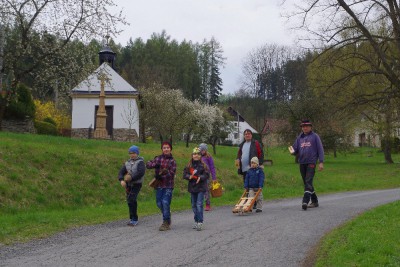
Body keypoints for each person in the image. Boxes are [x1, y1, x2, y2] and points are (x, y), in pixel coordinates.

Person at [290, 119, 324, 210]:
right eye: (303, 126)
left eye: (307, 126)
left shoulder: (315, 136)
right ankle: (315, 201)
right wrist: (291, 151)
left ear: (310, 127)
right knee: (306, 183)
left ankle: (305, 201)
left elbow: (320, 149)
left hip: (311, 162)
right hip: (302, 162)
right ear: (302, 128)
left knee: (308, 181)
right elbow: (294, 149)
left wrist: (321, 162)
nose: (305, 128)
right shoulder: (299, 138)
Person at [146, 141, 177, 231]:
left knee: (165, 202)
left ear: (170, 149)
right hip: (159, 185)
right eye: (164, 148)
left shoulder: (172, 161)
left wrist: (163, 174)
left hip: (168, 185)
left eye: (167, 147)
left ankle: (165, 222)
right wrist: (154, 164)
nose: (166, 149)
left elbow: (172, 173)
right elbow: (148, 164)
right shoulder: (158, 158)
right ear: (162, 149)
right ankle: (167, 215)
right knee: (159, 203)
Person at [118, 145, 145, 226]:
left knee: (132, 199)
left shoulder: (140, 162)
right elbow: (121, 172)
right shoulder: (127, 163)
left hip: (137, 184)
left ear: (137, 153)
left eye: (134, 153)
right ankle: (131, 217)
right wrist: (121, 180)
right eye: (130, 153)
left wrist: (131, 178)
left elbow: (140, 173)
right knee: (129, 201)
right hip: (128, 185)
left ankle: (135, 219)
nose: (132, 155)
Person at [183, 147, 210, 231]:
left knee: (199, 204)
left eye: (198, 154)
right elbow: (184, 174)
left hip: (201, 188)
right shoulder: (189, 165)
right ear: (192, 155)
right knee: (193, 205)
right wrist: (189, 176)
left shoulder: (203, 165)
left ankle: (200, 222)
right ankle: (196, 220)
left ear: (200, 156)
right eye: (194, 154)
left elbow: (206, 174)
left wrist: (200, 177)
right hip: (192, 188)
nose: (196, 156)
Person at [199, 143, 216, 211]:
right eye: (201, 150)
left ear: (205, 150)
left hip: (206, 176)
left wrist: (214, 177)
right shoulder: (198, 156)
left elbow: (212, 167)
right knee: (199, 190)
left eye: (203, 150)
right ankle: (199, 204)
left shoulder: (208, 157)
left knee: (206, 190)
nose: (202, 151)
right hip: (199, 176)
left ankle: (208, 204)